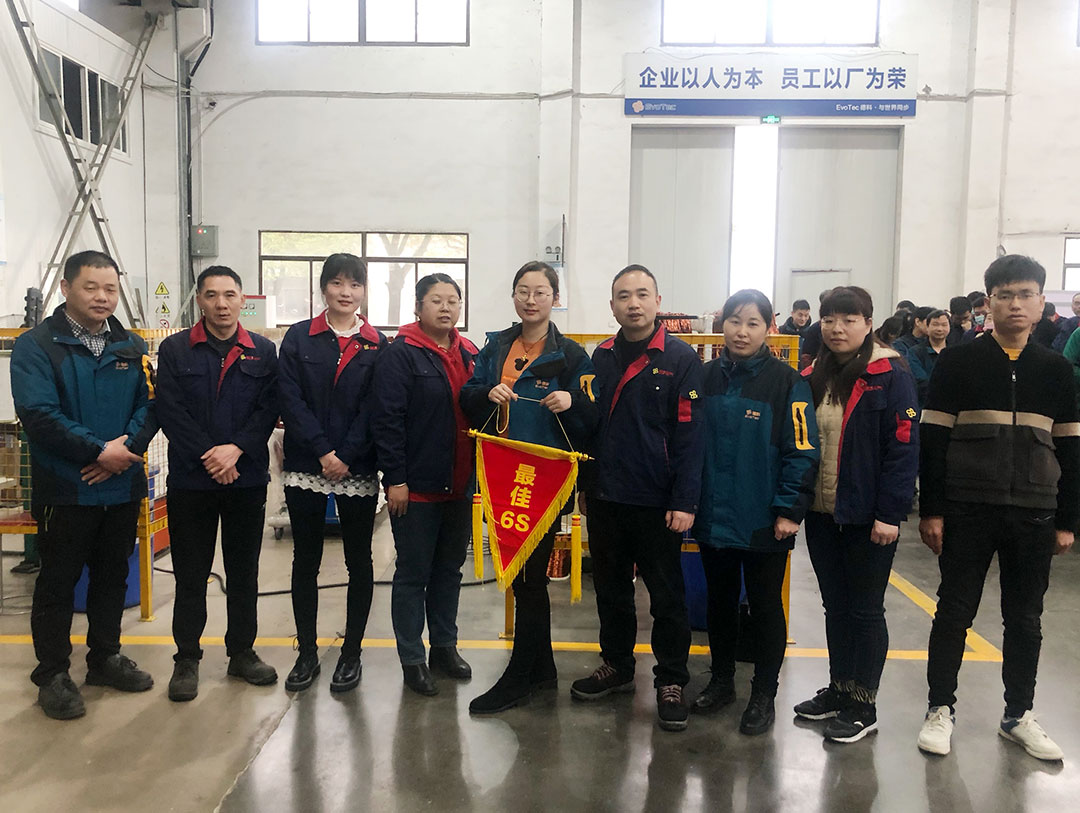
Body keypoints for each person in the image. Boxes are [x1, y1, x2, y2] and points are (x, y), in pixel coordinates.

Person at [917, 255, 1079, 761]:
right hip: (967, 508)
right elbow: (933, 440)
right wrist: (932, 510)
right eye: (1005, 295)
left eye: (1026, 294)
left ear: (1041, 302)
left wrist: (1068, 520)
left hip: (1034, 511)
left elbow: (1071, 448)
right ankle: (939, 708)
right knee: (954, 612)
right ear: (988, 303)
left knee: (1025, 618)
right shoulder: (958, 362)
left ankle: (1018, 715)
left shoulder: (1056, 370)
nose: (1015, 304)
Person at [11, 250, 156, 720]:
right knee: (58, 582)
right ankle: (52, 674)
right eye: (91, 287)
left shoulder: (131, 345)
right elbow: (38, 414)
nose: (102, 297)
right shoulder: (37, 346)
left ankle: (104, 658)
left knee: (112, 577)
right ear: (66, 288)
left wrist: (121, 452)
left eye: (110, 289)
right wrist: (97, 451)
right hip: (66, 487)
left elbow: (150, 405)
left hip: (120, 484)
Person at [459, 261, 598, 714]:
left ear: (555, 298)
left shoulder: (572, 356)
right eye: (523, 290)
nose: (531, 299)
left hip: (545, 479)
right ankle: (540, 670)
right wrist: (487, 394)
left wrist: (572, 401)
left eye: (541, 292)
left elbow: (593, 417)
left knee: (529, 577)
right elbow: (468, 395)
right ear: (514, 296)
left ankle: (521, 674)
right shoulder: (496, 346)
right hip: (502, 475)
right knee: (524, 580)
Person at [571, 264, 703, 733]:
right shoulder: (601, 356)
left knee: (666, 596)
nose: (633, 303)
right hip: (607, 496)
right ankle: (617, 665)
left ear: (657, 301)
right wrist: (585, 486)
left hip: (656, 500)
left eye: (642, 294)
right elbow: (590, 427)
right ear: (612, 306)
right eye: (624, 296)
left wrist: (685, 501)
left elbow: (690, 437)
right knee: (611, 590)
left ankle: (671, 680)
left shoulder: (681, 359)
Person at [793, 286, 919, 743]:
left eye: (849, 319)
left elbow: (903, 447)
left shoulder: (890, 374)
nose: (837, 328)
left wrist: (890, 513)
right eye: (829, 319)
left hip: (868, 516)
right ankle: (840, 688)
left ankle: (864, 704)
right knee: (835, 607)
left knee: (865, 611)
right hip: (823, 513)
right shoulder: (813, 375)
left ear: (868, 323)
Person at [691, 289, 820, 735]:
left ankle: (764, 692)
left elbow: (802, 450)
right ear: (721, 325)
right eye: (734, 321)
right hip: (713, 515)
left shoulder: (787, 383)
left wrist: (789, 510)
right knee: (719, 602)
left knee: (765, 606)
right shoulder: (704, 377)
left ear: (769, 328)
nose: (741, 332)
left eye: (752, 323)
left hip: (764, 518)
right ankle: (721, 680)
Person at [156, 266, 280, 702]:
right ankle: (186, 658)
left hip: (246, 479)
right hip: (192, 480)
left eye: (230, 294)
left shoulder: (263, 351)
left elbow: (268, 409)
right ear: (200, 301)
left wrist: (236, 450)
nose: (222, 304)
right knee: (191, 574)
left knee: (244, 572)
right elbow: (170, 410)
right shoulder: (175, 349)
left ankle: (242, 653)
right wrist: (211, 455)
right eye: (212, 295)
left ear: (242, 299)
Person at [276, 254, 387, 694]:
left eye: (354, 284)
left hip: (357, 466)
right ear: (323, 288)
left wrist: (347, 454)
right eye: (337, 283)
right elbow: (289, 398)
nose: (346, 292)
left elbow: (376, 406)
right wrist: (323, 451)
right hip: (307, 463)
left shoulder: (377, 344)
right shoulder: (299, 337)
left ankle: (351, 652)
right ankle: (306, 652)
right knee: (306, 559)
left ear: (363, 291)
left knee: (359, 560)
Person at [373, 274, 479, 697]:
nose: (446, 307)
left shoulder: (469, 353)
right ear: (418, 307)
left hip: (459, 484)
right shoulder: (400, 354)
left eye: (453, 300)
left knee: (449, 572)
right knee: (413, 574)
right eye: (437, 300)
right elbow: (387, 420)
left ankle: (445, 648)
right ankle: (412, 658)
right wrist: (395, 479)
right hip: (415, 487)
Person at [907, 309, 950, 407]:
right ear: (927, 327)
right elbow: (921, 381)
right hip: (925, 405)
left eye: (944, 325)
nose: (940, 329)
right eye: (935, 324)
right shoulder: (915, 352)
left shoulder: (955, 351)